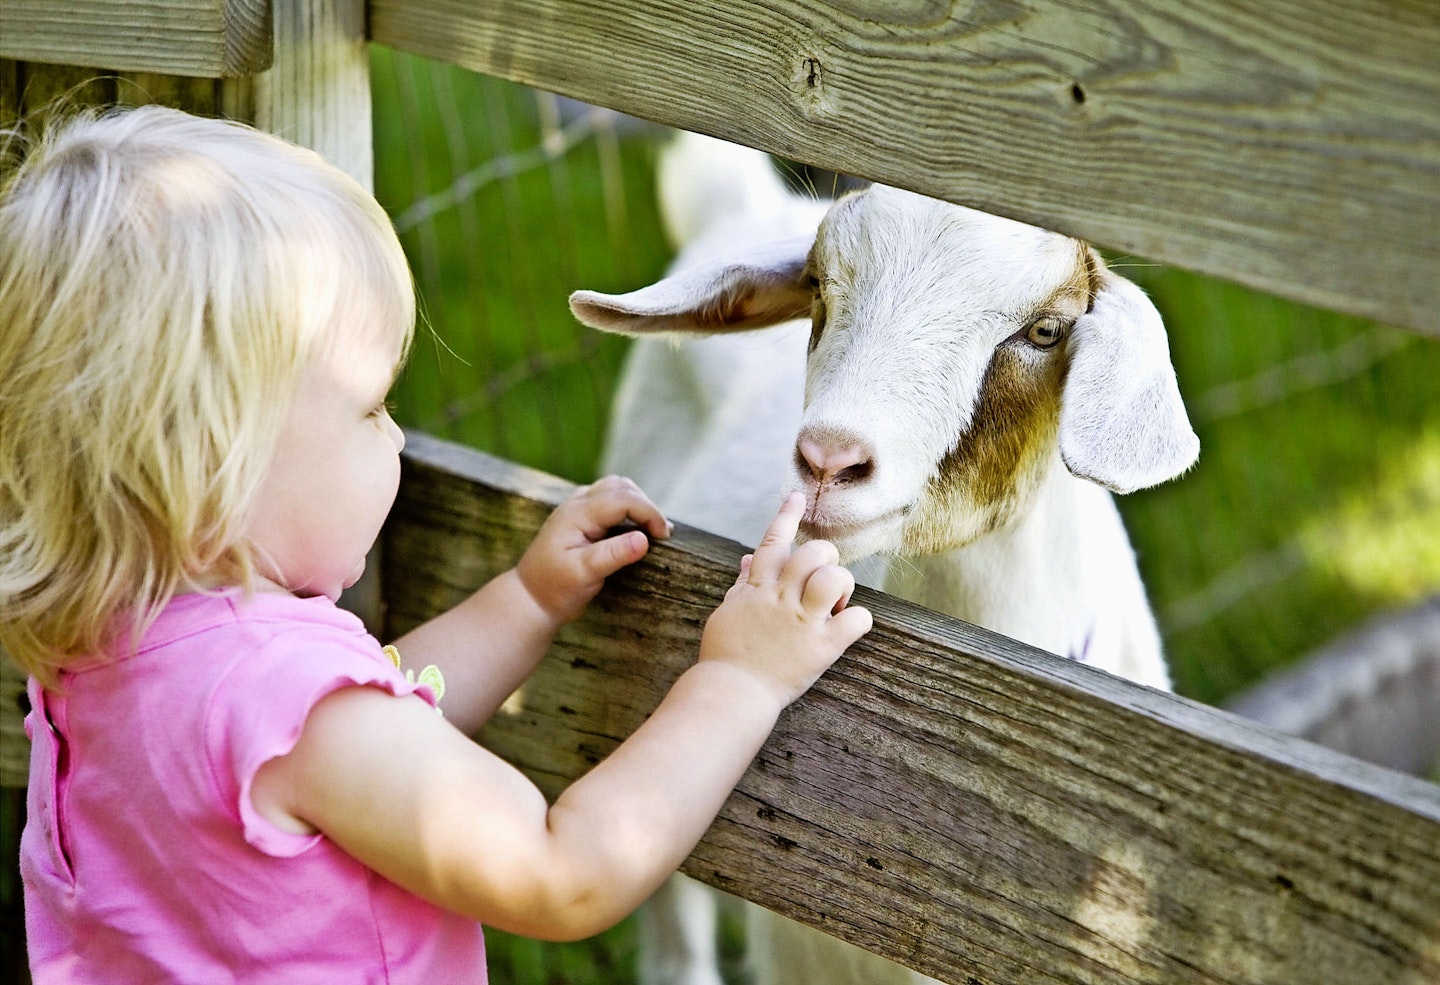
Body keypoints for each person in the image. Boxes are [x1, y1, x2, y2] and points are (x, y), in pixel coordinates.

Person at [0, 105, 872, 984]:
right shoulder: (292, 713)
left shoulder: (112, 658)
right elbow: (562, 871)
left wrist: (524, 603)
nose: (398, 438)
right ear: (214, 462)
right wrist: (739, 679)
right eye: (372, 405)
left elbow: (373, 731)